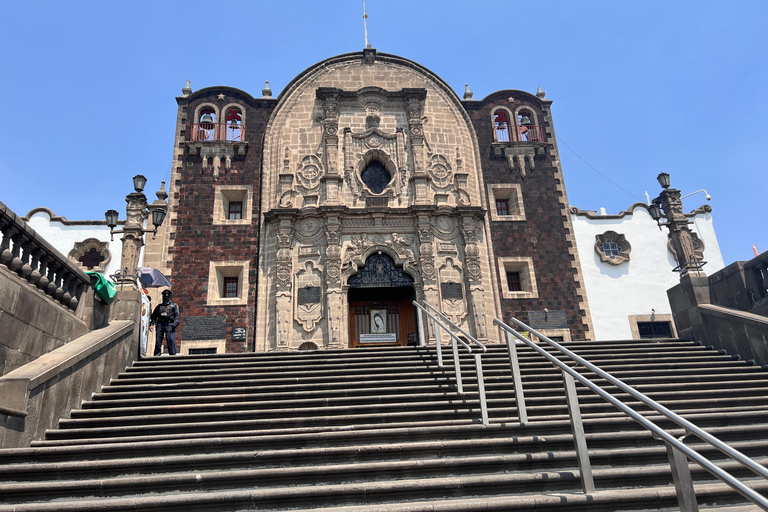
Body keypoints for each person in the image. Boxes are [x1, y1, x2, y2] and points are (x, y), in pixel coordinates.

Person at [150, 289, 180, 356]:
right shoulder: (159, 306)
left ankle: (172, 354)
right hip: (160, 324)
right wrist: (152, 324)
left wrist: (175, 324)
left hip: (170, 324)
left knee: (170, 340)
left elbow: (177, 316)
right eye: (165, 296)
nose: (166, 297)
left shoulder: (174, 305)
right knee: (158, 340)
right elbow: (154, 316)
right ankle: (157, 354)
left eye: (167, 296)